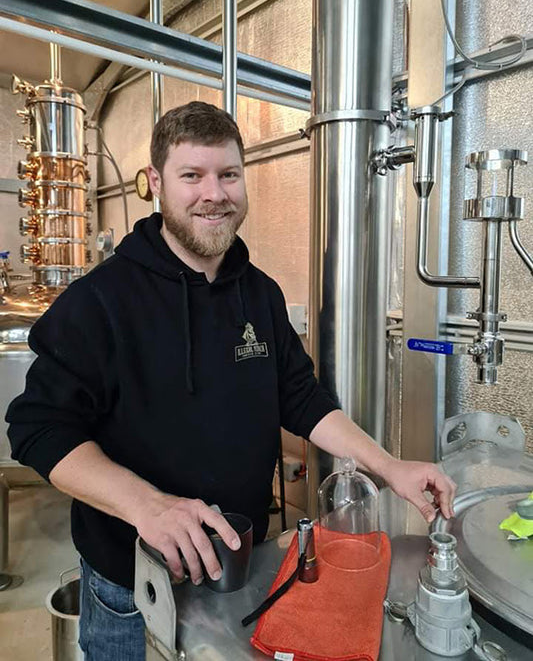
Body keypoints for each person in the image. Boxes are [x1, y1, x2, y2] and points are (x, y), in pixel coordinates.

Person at [7, 101, 455, 660]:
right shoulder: (100, 301)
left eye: (228, 174)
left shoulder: (260, 294)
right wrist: (148, 506)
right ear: (155, 184)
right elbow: (37, 428)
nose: (213, 193)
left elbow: (303, 398)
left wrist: (389, 466)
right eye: (191, 176)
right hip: (131, 585)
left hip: (242, 564)